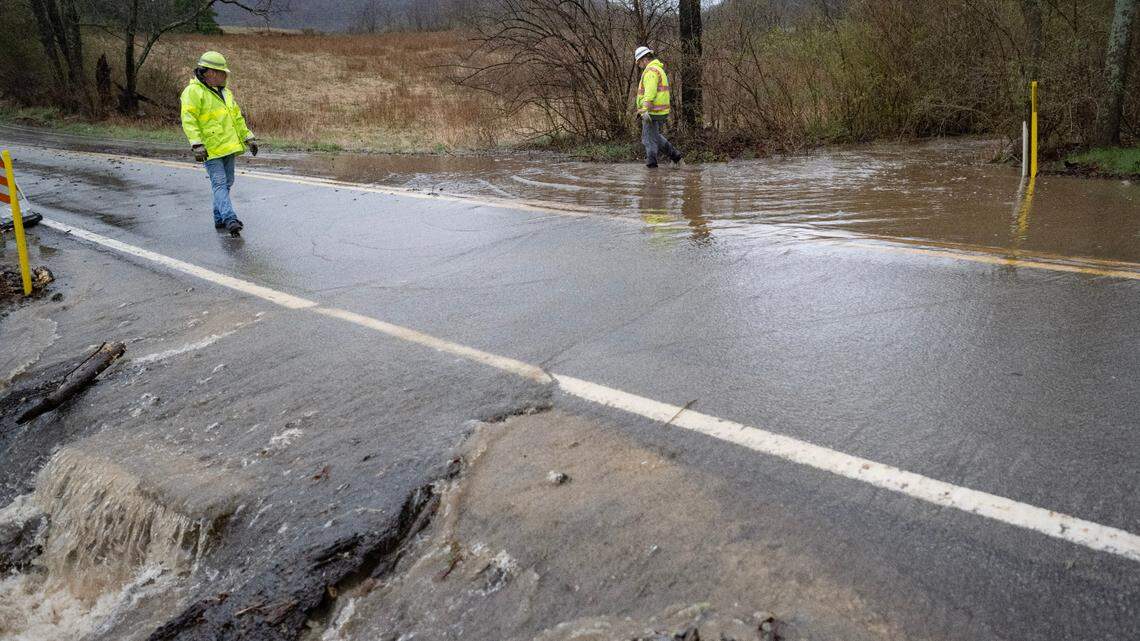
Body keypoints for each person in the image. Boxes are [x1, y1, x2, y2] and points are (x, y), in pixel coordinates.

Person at [179, 51, 258, 235]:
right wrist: (196, 144)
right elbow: (188, 119)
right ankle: (230, 218)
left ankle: (219, 218)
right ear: (210, 73)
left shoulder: (226, 93)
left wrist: (249, 138)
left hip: (228, 147)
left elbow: (237, 119)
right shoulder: (193, 92)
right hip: (210, 149)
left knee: (227, 182)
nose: (225, 76)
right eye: (223, 72)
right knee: (220, 184)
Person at [633, 46, 682, 169]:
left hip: (652, 111)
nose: (639, 65)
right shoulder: (657, 69)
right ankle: (676, 157)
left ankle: (652, 168)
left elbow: (650, 93)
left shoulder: (650, 71)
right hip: (659, 111)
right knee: (654, 137)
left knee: (648, 140)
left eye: (639, 62)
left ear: (644, 59)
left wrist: (644, 109)